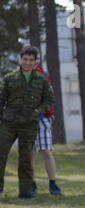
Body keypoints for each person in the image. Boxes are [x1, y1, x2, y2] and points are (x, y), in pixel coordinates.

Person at [0, 46, 54, 199]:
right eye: (25, 59)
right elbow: (1, 99)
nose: (28, 63)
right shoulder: (10, 78)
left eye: (31, 60)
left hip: (29, 124)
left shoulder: (41, 80)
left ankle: (25, 191)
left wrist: (38, 110)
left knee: (25, 157)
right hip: (8, 123)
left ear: (36, 61)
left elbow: (49, 100)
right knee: (1, 151)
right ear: (20, 59)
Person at [30, 49, 62, 196]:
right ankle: (31, 185)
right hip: (26, 121)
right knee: (29, 153)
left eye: (35, 59)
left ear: (38, 60)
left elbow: (50, 97)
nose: (32, 62)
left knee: (46, 151)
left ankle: (52, 184)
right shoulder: (18, 77)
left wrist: (44, 113)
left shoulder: (44, 75)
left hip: (43, 119)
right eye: (28, 58)